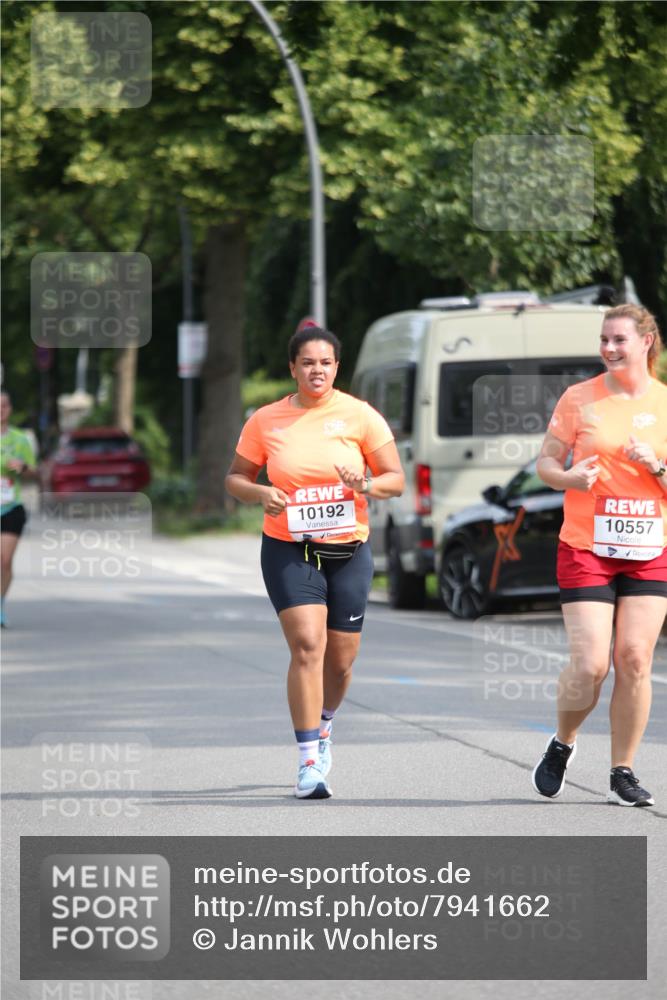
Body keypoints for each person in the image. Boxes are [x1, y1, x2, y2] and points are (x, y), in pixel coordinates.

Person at [225, 327, 404, 799]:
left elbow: (396, 479)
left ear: (336, 368)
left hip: (348, 550)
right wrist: (261, 492)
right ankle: (308, 763)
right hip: (289, 546)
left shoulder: (360, 416)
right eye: (308, 362)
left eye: (325, 363)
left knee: (341, 662)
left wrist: (365, 484)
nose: (317, 370)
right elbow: (236, 479)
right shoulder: (267, 420)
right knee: (307, 646)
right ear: (293, 368)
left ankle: (324, 724)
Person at [532, 304, 667, 807]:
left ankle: (623, 771)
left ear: (646, 341)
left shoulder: (665, 404)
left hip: (650, 547)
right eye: (604, 339)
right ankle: (562, 743)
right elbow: (546, 460)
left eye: (619, 340)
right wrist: (568, 478)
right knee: (591, 665)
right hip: (587, 546)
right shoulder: (579, 398)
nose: (609, 348)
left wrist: (656, 467)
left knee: (634, 658)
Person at [1, 391, 38, 628]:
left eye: (4, 405)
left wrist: (23, 467)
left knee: (3, 561)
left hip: (10, 507)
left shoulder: (19, 439)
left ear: (10, 409)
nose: (0, 409)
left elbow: (34, 473)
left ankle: (0, 603)